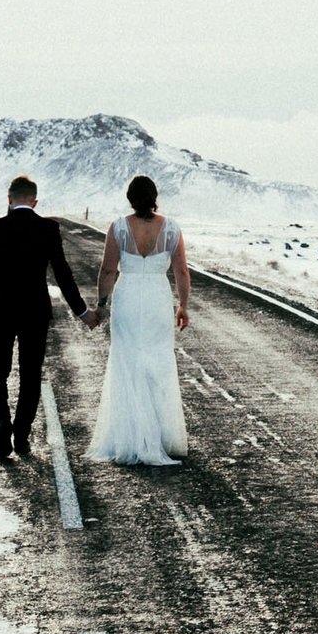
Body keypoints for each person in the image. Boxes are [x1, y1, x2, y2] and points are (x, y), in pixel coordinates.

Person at [0, 174, 85, 463]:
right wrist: (82, 311)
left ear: (9, 199)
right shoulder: (48, 228)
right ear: (34, 201)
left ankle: (2, 423)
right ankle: (22, 434)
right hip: (34, 311)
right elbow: (62, 273)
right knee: (30, 373)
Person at [86, 173, 190, 466]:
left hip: (128, 297)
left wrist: (102, 305)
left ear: (131, 199)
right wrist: (183, 306)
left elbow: (107, 271)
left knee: (127, 361)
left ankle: (130, 436)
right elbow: (181, 272)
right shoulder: (171, 228)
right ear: (155, 198)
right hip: (157, 297)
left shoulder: (119, 228)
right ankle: (159, 435)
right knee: (158, 363)